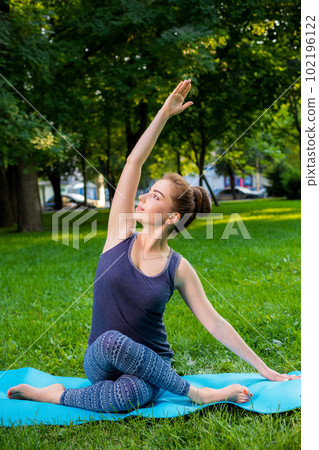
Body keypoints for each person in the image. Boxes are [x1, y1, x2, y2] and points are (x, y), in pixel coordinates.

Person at [7, 79, 300, 413]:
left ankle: (55, 394)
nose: (142, 197)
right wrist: (164, 112)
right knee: (112, 342)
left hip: (152, 367)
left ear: (172, 215)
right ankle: (195, 393)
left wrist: (263, 368)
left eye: (155, 196)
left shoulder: (178, 268)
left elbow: (215, 322)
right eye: (147, 191)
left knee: (129, 396)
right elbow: (134, 162)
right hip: (102, 358)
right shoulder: (120, 232)